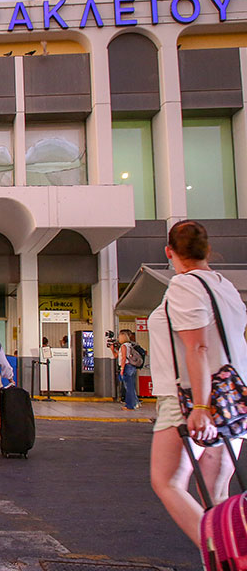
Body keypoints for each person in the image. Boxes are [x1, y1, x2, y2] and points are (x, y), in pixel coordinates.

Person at [148, 220, 247, 546]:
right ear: (207, 251)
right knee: (216, 494)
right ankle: (231, 551)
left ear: (169, 252)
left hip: (191, 398)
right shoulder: (225, 287)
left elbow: (198, 347)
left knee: (167, 481)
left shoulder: (184, 285)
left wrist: (201, 407)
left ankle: (221, 553)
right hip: (232, 400)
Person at [110, 329, 140, 410]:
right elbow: (116, 356)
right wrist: (113, 350)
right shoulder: (129, 345)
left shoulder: (124, 346)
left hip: (127, 367)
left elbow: (123, 358)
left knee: (128, 387)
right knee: (131, 387)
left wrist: (122, 369)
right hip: (131, 367)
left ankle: (130, 405)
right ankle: (135, 402)